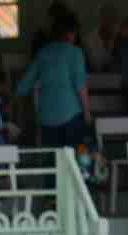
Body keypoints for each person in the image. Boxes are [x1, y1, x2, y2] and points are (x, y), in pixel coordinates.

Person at [19, 12, 92, 149]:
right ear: (71, 33)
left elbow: (23, 86)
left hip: (46, 117)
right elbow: (80, 85)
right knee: (73, 161)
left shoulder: (42, 53)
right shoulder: (75, 52)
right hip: (70, 116)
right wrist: (87, 113)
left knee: (52, 161)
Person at [84, 4, 121, 70]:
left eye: (113, 19)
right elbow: (95, 65)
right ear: (101, 19)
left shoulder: (121, 37)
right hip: (96, 77)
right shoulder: (89, 40)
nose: (110, 23)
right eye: (107, 18)